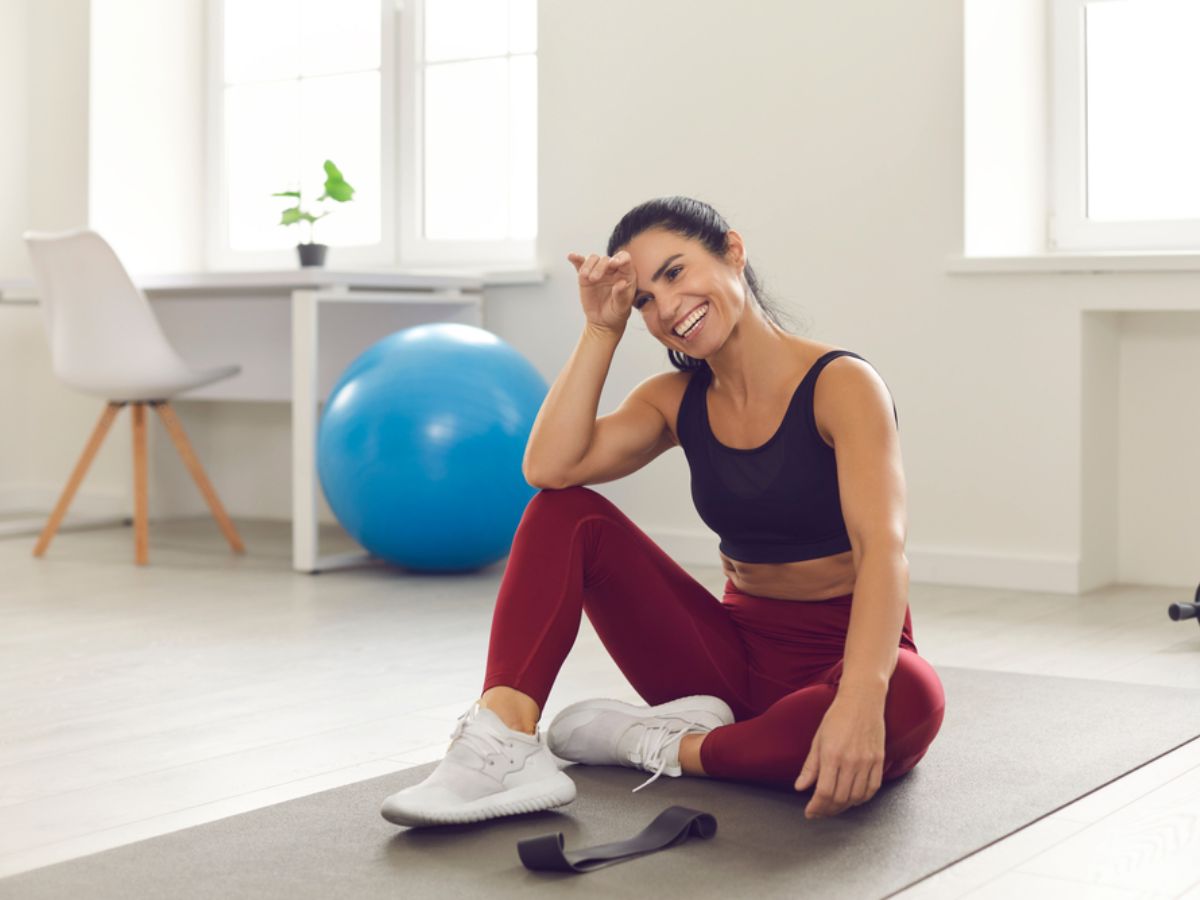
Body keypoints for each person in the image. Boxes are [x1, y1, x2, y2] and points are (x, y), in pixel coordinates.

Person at [381, 196, 946, 827]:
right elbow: (550, 469)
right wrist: (602, 330)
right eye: (645, 298)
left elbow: (882, 552)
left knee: (912, 699)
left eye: (675, 272)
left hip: (848, 652)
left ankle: (646, 743)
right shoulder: (673, 400)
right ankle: (504, 738)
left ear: (732, 251)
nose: (667, 306)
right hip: (725, 662)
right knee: (563, 512)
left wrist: (862, 700)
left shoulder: (841, 384)